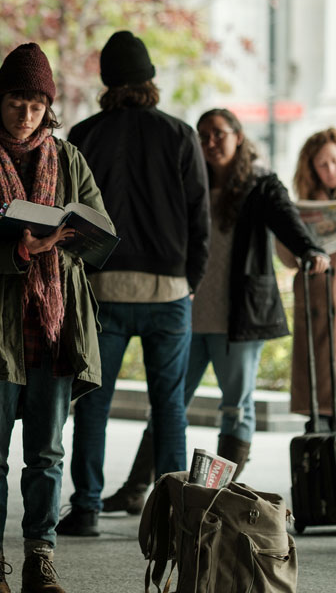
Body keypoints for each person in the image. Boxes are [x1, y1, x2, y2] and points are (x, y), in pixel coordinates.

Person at [0, 43, 109, 593]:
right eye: (18, 100)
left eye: (38, 103)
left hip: (55, 330)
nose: (27, 113)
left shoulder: (70, 160)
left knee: (46, 453)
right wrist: (22, 250)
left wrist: (70, 237)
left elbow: (98, 225)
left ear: (48, 107)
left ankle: (41, 557)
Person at [103, 109, 329, 512]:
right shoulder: (189, 180)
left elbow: (288, 223)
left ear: (238, 137)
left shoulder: (261, 184)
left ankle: (218, 493)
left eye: (218, 134)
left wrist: (309, 250)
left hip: (239, 317)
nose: (209, 142)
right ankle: (137, 488)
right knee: (169, 401)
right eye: (203, 135)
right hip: (185, 313)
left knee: (235, 407)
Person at [58, 31, 210, 536]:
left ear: (106, 82)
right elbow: (199, 217)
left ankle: (86, 508)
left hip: (104, 291)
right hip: (168, 290)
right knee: (168, 404)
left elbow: (70, 218)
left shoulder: (84, 135)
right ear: (150, 80)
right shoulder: (181, 134)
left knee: (93, 403)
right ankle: (176, 514)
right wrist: (189, 280)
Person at [279, 128, 336, 432]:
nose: (330, 171)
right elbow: (288, 260)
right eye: (322, 164)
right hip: (317, 304)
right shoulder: (303, 205)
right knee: (320, 406)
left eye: (334, 162)